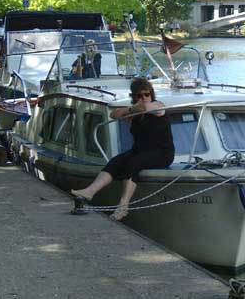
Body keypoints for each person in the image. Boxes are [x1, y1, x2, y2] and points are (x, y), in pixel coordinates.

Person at [72, 77, 175, 220]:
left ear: (151, 95)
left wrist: (132, 109)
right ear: (134, 97)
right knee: (115, 161)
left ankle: (123, 207)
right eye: (140, 95)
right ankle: (90, 191)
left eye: (147, 94)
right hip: (140, 150)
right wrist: (131, 110)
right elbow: (113, 114)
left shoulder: (158, 106)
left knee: (134, 163)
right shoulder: (134, 113)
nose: (144, 98)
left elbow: (146, 108)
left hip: (162, 152)